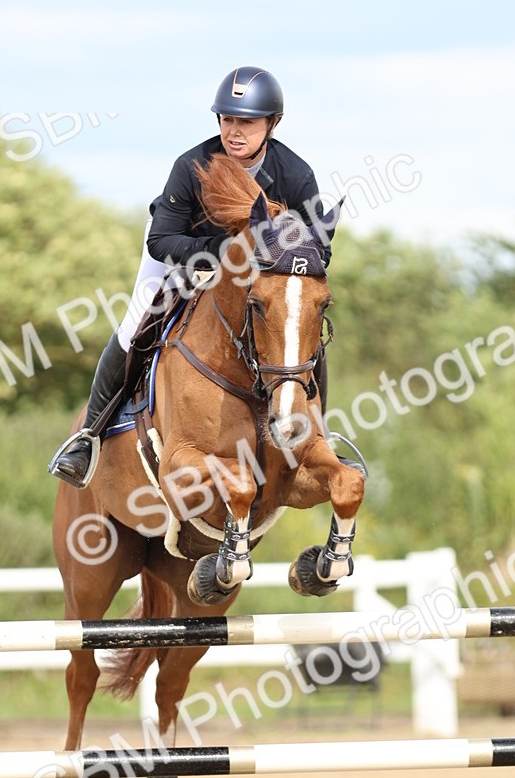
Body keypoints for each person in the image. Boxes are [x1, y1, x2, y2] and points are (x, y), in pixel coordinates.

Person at [49, 65, 331, 488]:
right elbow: (162, 239)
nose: (234, 131)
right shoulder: (192, 164)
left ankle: (322, 431)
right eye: (227, 119)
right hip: (183, 257)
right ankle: (88, 436)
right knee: (135, 324)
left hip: (254, 277)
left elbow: (318, 250)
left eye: (247, 122)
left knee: (299, 334)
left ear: (272, 124)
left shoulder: (295, 174)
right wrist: (221, 258)